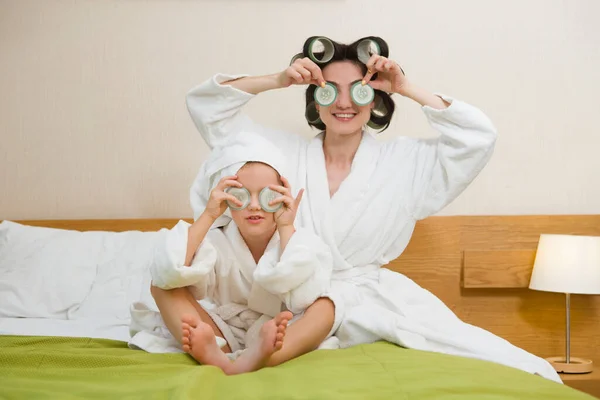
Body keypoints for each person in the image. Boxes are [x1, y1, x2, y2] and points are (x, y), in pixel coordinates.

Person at [184, 36, 561, 382]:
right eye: (330, 91)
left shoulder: (407, 162)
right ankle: (253, 354)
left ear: (375, 97)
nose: (344, 103)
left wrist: (406, 87)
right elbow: (209, 108)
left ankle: (259, 354)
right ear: (315, 98)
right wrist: (278, 79)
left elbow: (479, 137)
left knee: (502, 363)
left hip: (363, 296)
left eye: (358, 91)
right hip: (290, 295)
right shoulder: (279, 156)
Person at [129, 140, 341, 375]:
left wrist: (286, 226)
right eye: (240, 195)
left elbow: (305, 296)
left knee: (327, 306)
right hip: (221, 333)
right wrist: (209, 215)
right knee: (161, 286)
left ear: (282, 195)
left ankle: (262, 357)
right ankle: (220, 356)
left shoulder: (300, 241)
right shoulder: (215, 240)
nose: (253, 205)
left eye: (266, 195)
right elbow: (167, 271)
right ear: (226, 199)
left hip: (281, 333)